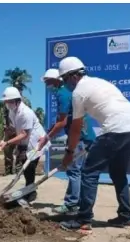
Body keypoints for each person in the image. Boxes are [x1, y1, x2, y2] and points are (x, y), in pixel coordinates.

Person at [58, 57, 130, 234]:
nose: (66, 84)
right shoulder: (99, 82)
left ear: (73, 76)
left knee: (89, 172)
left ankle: (83, 220)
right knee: (118, 173)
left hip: (114, 129)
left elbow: (75, 128)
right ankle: (125, 217)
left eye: (65, 79)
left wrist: (69, 152)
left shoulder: (78, 92)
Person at [38, 68, 96, 215]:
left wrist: (47, 138)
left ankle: (71, 204)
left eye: (48, 82)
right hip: (85, 135)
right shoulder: (67, 91)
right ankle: (78, 203)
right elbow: (59, 121)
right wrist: (48, 132)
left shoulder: (63, 94)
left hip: (80, 136)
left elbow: (62, 123)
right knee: (79, 171)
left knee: (74, 170)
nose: (47, 85)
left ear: (56, 80)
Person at [0, 86, 49, 202]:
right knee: (25, 167)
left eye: (10, 101)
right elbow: (15, 128)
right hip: (24, 143)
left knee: (29, 167)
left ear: (17, 101)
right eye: (6, 101)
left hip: (36, 142)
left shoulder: (26, 112)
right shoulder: (12, 111)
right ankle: (29, 190)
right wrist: (8, 132)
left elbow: (24, 134)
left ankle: (31, 193)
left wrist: (7, 143)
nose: (7, 104)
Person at [3, 86, 31, 176]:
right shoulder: (8, 102)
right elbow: (5, 115)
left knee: (20, 150)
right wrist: (5, 126)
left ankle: (19, 170)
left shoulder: (25, 104)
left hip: (21, 130)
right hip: (10, 129)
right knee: (7, 151)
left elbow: (26, 120)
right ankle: (8, 170)